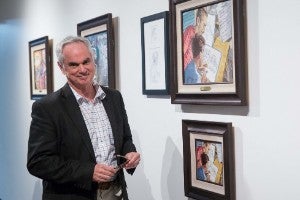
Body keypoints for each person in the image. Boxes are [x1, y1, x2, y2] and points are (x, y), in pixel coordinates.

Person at [27, 36, 141, 200]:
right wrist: (88, 172)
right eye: (74, 64)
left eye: (86, 62)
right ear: (61, 67)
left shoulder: (114, 97)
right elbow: (38, 162)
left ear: (93, 61)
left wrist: (129, 153)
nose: (82, 69)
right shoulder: (47, 107)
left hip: (115, 192)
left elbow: (125, 138)